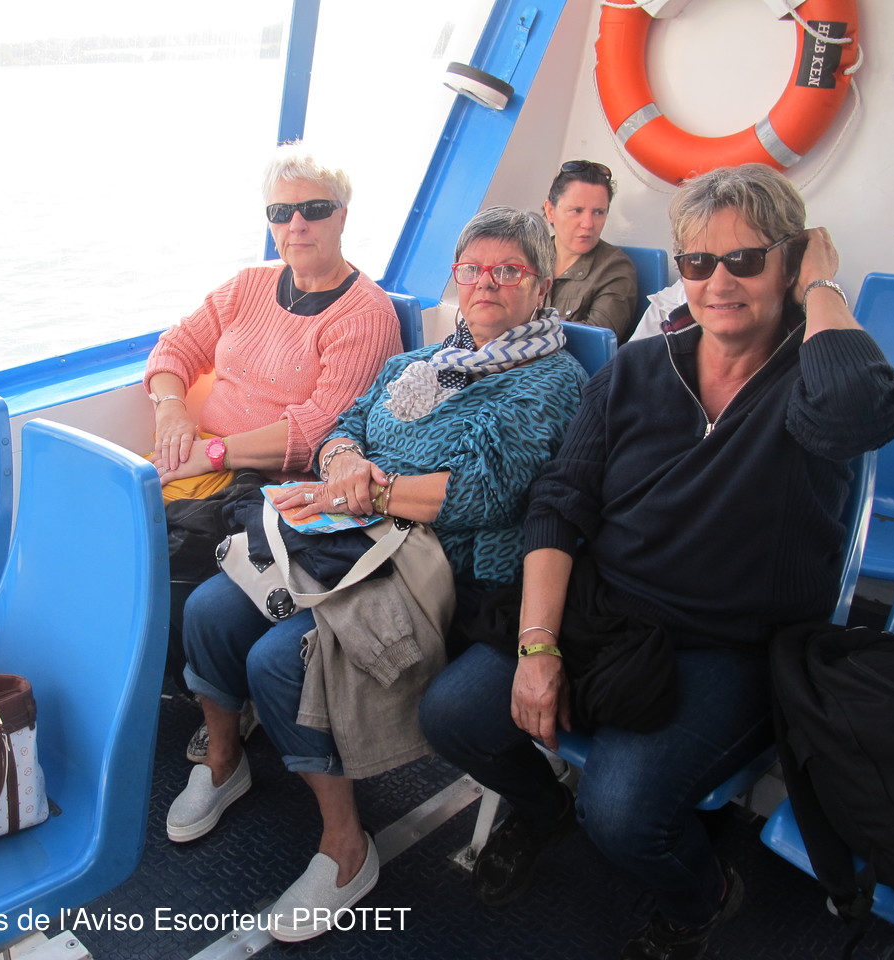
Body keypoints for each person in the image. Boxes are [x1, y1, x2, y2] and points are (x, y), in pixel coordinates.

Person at [421, 164, 894, 960]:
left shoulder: (810, 384)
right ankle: (543, 811)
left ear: (790, 263)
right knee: (452, 716)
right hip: (608, 611)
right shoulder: (640, 369)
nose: (718, 282)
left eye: (745, 259)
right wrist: (538, 647)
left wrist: (824, 286)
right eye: (697, 262)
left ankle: (700, 899)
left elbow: (860, 413)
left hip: (732, 643)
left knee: (621, 812)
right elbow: (561, 502)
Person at [167, 206, 587, 943]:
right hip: (351, 543)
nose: (486, 283)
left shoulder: (552, 380)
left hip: (441, 572)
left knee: (281, 661)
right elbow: (342, 429)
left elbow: (483, 492)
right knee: (208, 609)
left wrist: (370, 491)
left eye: (508, 270)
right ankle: (225, 757)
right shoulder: (418, 363)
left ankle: (346, 845)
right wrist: (345, 465)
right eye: (471, 269)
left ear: (542, 285)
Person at [144, 142, 402, 750]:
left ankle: (223, 698)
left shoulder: (365, 316)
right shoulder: (249, 285)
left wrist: (210, 454)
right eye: (281, 213)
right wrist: (171, 408)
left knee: (168, 562)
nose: (297, 224)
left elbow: (315, 430)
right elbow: (174, 349)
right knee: (116, 540)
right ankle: (185, 685)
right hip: (203, 460)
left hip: (275, 484)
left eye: (315, 209)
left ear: (343, 215)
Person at [543, 159, 638, 343]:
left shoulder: (615, 269)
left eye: (598, 212)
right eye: (576, 210)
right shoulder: (527, 257)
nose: (588, 224)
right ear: (550, 211)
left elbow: (594, 345)